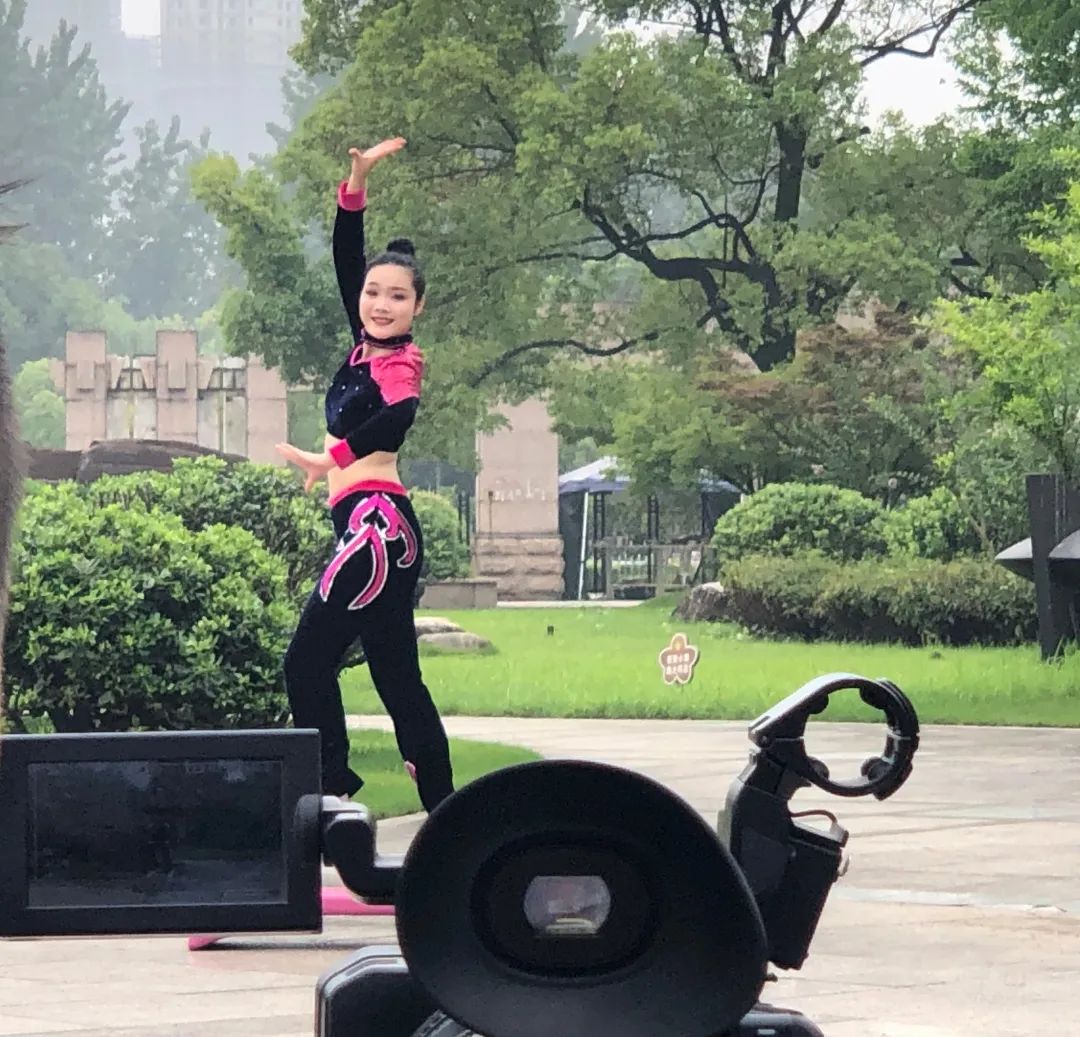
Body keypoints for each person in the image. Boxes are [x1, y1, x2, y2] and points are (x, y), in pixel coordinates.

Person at [276, 138, 454, 812]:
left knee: (305, 662)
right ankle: (447, 816)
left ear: (417, 307)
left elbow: (397, 419)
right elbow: (346, 257)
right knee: (399, 682)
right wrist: (355, 184)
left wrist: (332, 459)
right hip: (371, 528)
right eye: (374, 293)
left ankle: (330, 793)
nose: (381, 303)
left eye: (397, 296)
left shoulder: (400, 363)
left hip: (377, 529)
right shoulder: (362, 346)